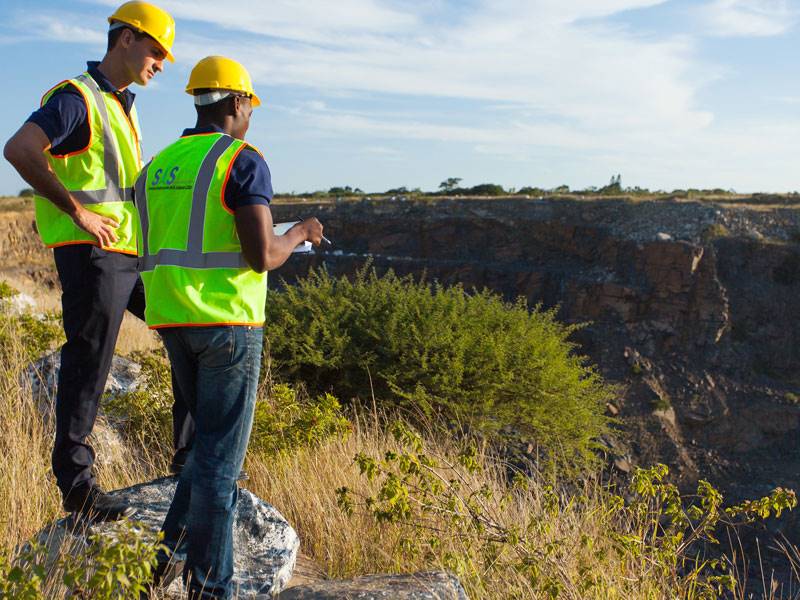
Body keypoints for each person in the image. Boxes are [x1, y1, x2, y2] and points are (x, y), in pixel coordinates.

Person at [134, 55, 323, 598]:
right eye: (250, 107)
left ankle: (157, 571)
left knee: (201, 456)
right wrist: (300, 232)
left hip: (173, 321)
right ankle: (212, 590)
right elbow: (262, 254)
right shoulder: (242, 160)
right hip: (229, 326)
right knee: (219, 465)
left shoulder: (160, 165)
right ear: (238, 103)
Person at [2, 1, 187, 522]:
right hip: (93, 254)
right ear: (125, 39)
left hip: (129, 251)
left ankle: (189, 460)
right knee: (89, 360)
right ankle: (78, 488)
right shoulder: (76, 98)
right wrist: (77, 212)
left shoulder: (122, 105)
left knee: (188, 328)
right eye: (156, 51)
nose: (161, 63)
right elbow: (19, 149)